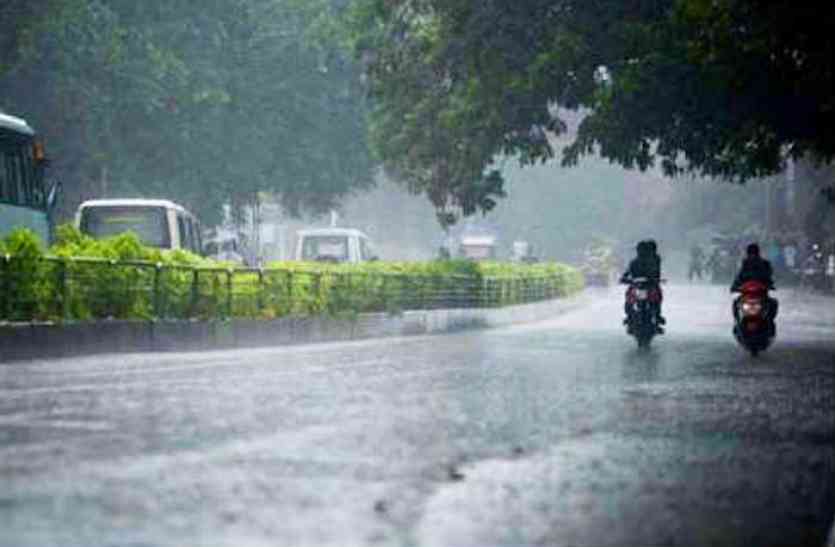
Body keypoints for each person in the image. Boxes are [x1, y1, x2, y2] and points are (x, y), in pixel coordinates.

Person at [731, 243, 778, 334]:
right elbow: (739, 277)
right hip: (746, 294)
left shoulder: (764, 264)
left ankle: (770, 322)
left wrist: (770, 285)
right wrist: (734, 286)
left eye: (753, 253)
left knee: (773, 303)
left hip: (761, 294)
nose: (752, 255)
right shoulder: (745, 264)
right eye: (751, 253)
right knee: (736, 303)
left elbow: (768, 276)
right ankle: (737, 322)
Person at [620, 240, 665, 331]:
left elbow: (656, 273)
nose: (641, 252)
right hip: (637, 285)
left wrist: (655, 279)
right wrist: (625, 279)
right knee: (629, 298)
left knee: (657, 297)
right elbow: (628, 272)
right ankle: (629, 316)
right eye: (640, 250)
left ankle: (657, 315)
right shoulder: (635, 261)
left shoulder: (654, 260)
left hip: (650, 285)